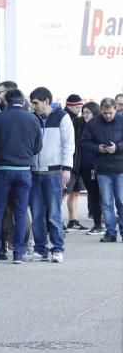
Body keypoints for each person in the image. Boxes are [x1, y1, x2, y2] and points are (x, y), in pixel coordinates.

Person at [0, 89, 42, 264]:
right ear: (23, 101)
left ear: (6, 101)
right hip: (24, 170)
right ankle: (18, 253)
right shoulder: (32, 119)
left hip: (2, 169)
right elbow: (38, 146)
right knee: (20, 212)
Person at [26, 87, 74, 263]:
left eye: (36, 103)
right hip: (35, 172)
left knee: (54, 213)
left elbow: (69, 144)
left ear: (46, 101)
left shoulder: (62, 117)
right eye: (32, 103)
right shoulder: (32, 119)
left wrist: (67, 168)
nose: (33, 106)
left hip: (54, 172)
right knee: (37, 213)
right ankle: (40, 249)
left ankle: (57, 248)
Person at [80, 98, 123, 243]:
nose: (108, 116)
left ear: (116, 109)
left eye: (110, 113)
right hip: (102, 168)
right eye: (105, 113)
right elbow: (84, 142)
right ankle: (110, 233)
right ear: (101, 110)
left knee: (121, 201)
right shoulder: (93, 123)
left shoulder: (121, 121)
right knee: (106, 202)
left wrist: (117, 147)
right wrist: (97, 148)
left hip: (120, 168)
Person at [79, 102, 105, 236]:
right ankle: (98, 222)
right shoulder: (82, 126)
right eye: (83, 112)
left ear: (95, 112)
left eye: (87, 112)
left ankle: (100, 224)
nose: (84, 115)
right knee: (92, 195)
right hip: (84, 166)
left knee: (98, 196)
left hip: (97, 165)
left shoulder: (99, 127)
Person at [63, 94, 86, 231]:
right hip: (68, 164)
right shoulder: (64, 118)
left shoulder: (79, 120)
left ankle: (73, 221)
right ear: (69, 105)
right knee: (63, 194)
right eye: (77, 107)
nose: (79, 109)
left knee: (75, 193)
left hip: (78, 162)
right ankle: (58, 221)